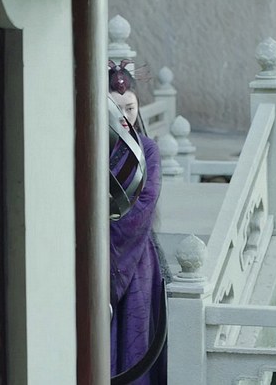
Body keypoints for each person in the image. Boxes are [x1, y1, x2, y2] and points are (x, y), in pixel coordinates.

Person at [108, 59, 168, 384]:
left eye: (130, 108)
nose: (125, 116)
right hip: (95, 250)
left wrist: (107, 232)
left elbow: (146, 201)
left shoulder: (149, 150)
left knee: (135, 334)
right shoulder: (91, 146)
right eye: (116, 108)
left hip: (135, 253)